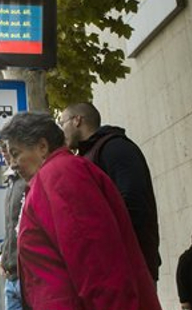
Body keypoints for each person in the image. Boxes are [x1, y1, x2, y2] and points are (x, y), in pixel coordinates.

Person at [0, 112, 160, 310]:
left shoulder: (61, 175)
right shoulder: (51, 178)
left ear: (42, 146)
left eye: (16, 153)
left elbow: (96, 263)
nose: (12, 164)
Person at [59, 102, 161, 281]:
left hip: (129, 265)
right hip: (105, 266)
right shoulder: (85, 157)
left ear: (77, 120)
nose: (61, 131)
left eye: (62, 123)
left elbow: (133, 202)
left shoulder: (115, 148)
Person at [0, 141, 27, 310]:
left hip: (28, 276)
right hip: (11, 276)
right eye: (0, 147)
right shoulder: (12, 180)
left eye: (6, 146)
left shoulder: (30, 179)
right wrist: (2, 254)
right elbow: (11, 225)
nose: (3, 151)